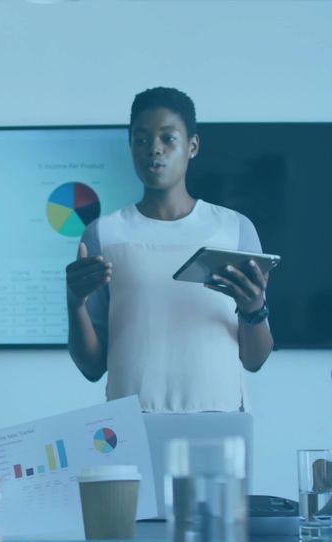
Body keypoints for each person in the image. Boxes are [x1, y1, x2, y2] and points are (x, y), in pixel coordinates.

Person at [66, 87, 274, 412]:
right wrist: (75, 304)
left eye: (168, 138)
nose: (154, 150)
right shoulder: (103, 234)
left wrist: (254, 308)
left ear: (192, 146)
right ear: (130, 146)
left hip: (219, 419)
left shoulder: (234, 229)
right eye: (142, 139)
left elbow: (255, 360)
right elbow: (92, 368)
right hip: (132, 426)